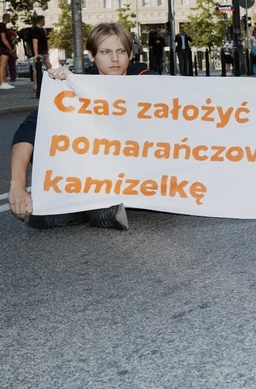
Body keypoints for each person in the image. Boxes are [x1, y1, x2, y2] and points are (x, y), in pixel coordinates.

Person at [8, 22, 149, 231]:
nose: (115, 59)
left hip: (132, 168)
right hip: (88, 171)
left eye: (121, 51)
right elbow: (28, 130)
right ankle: (87, 209)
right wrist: (17, 187)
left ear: (130, 54)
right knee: (50, 129)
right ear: (91, 56)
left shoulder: (147, 80)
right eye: (105, 52)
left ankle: (78, 209)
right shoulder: (76, 85)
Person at [26, 15, 51, 98]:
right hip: (40, 53)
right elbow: (35, 43)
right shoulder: (36, 30)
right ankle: (36, 85)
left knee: (49, 67)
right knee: (37, 68)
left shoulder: (41, 30)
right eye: (44, 20)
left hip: (44, 51)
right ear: (41, 21)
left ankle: (51, 81)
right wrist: (36, 54)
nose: (45, 22)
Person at [0, 12, 14, 90]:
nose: (10, 19)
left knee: (4, 66)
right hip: (3, 48)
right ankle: (2, 83)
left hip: (2, 47)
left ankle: (4, 82)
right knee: (3, 65)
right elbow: (3, 38)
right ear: (7, 18)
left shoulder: (2, 26)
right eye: (10, 17)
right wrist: (9, 47)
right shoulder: (2, 26)